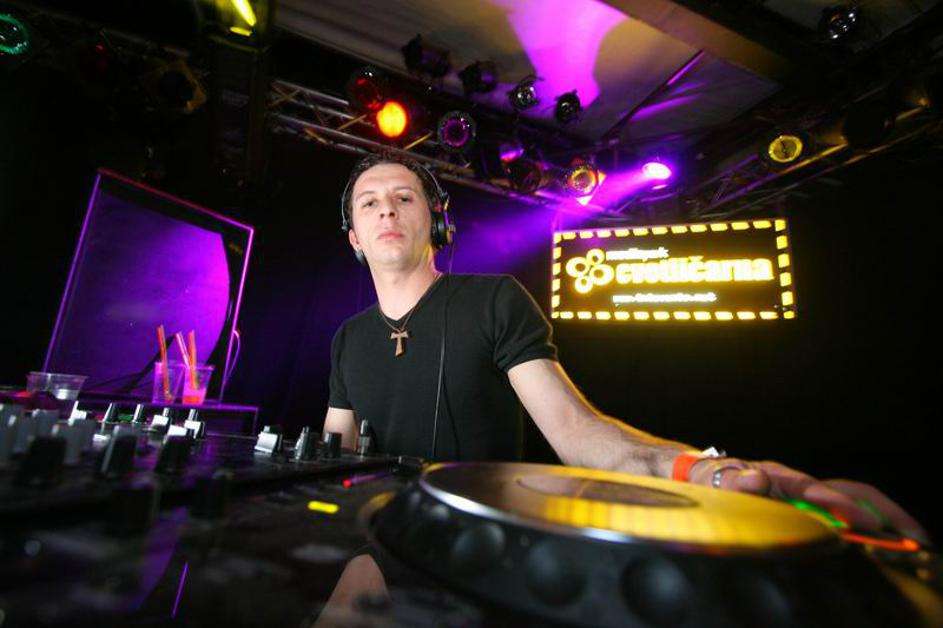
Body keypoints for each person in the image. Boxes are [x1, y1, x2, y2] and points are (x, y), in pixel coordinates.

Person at [323, 153, 929, 545]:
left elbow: (577, 434)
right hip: (376, 542)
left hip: (479, 547)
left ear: (436, 221)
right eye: (370, 202)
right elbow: (329, 462)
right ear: (354, 237)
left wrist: (705, 470)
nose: (387, 209)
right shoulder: (347, 339)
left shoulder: (495, 300)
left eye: (404, 197)